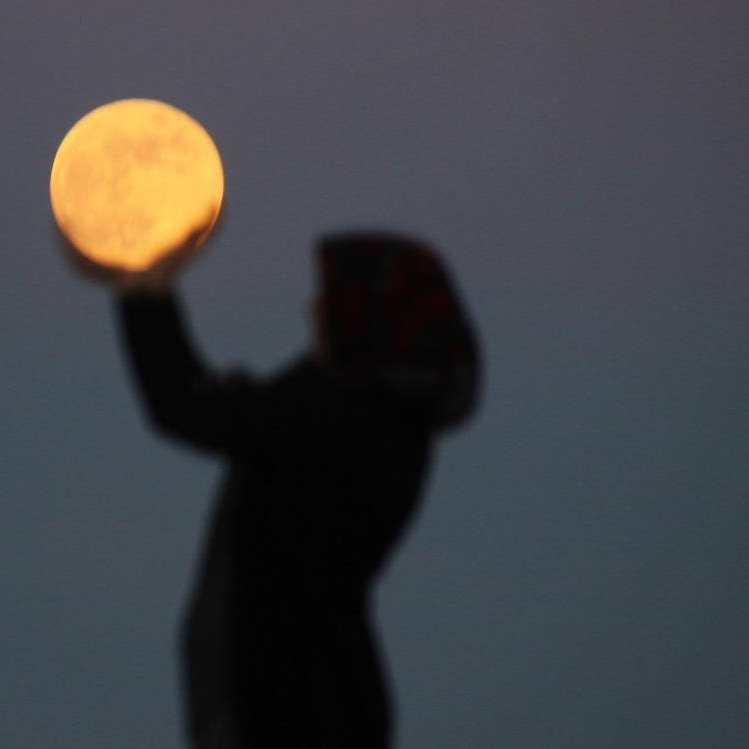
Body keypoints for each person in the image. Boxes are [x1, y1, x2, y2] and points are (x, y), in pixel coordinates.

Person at [112, 231, 480, 748]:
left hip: (295, 715)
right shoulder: (371, 418)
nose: (311, 311)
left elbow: (187, 406)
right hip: (310, 707)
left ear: (362, 321)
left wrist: (141, 286)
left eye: (330, 301)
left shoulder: (349, 424)